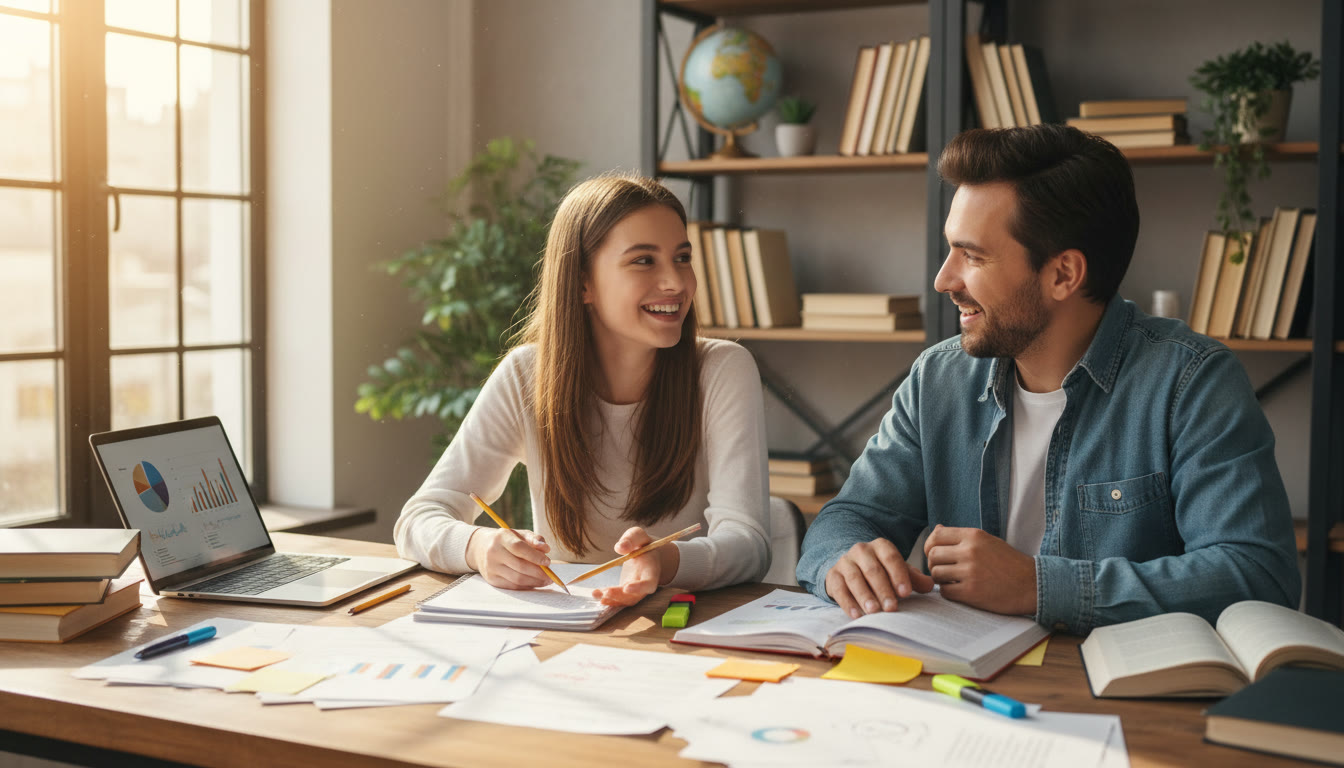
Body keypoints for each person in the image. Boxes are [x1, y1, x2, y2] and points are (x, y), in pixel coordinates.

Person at [796, 125, 1300, 633]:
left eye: (972, 256)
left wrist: (1037, 586)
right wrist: (843, 560)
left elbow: (1257, 576)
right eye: (951, 251)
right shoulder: (938, 379)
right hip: (959, 680)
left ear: (1063, 274)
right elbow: (846, 519)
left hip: (1116, 691)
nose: (944, 280)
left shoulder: (1190, 383)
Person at [395, 173, 770, 607]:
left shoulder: (721, 370)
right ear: (582, 282)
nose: (676, 283)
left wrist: (666, 561)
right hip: (567, 627)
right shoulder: (525, 375)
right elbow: (418, 518)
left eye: (682, 258)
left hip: (677, 626)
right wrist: (478, 547)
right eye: (644, 261)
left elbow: (750, 544)